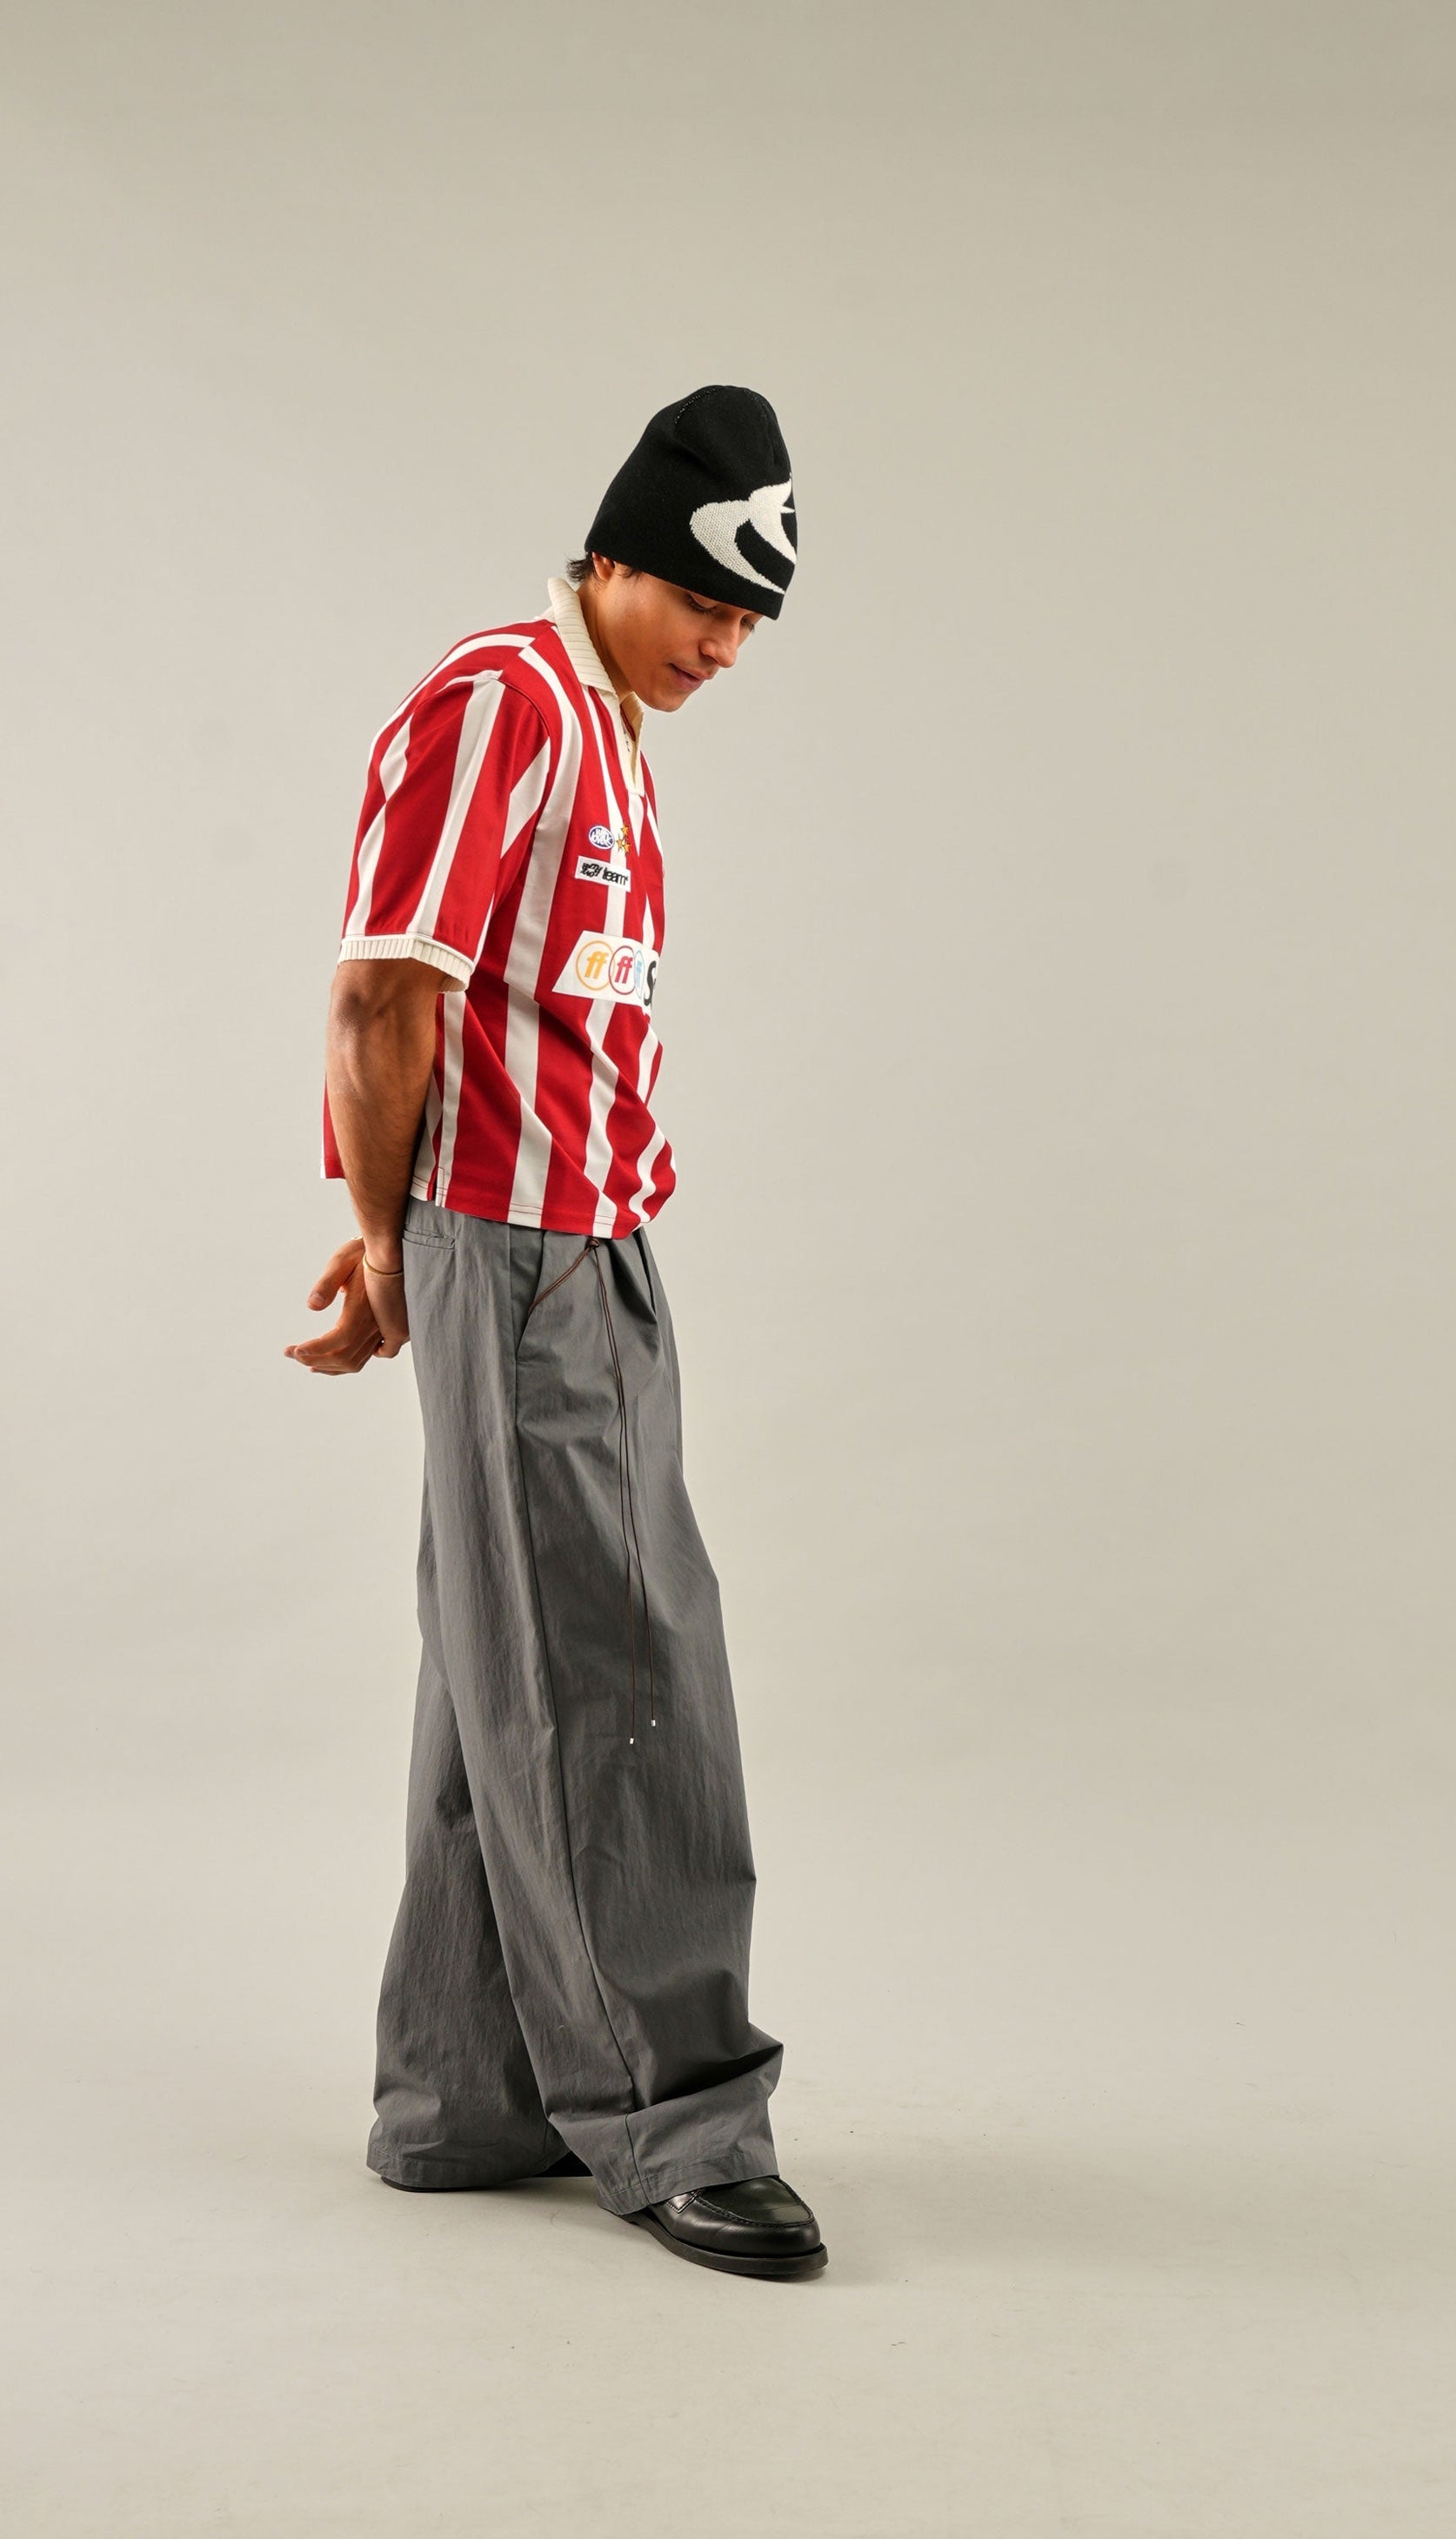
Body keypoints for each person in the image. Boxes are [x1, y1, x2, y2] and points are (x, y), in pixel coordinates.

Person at [284, 386, 825, 2282]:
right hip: (516, 1258)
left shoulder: (605, 725)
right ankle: (677, 2119)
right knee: (614, 1675)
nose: (724, 644)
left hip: (579, 1246)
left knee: (502, 1663)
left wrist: (420, 1239)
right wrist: (394, 1245)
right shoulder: (504, 703)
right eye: (702, 598)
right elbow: (383, 996)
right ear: (612, 556)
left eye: (750, 619)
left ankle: (471, 2088)